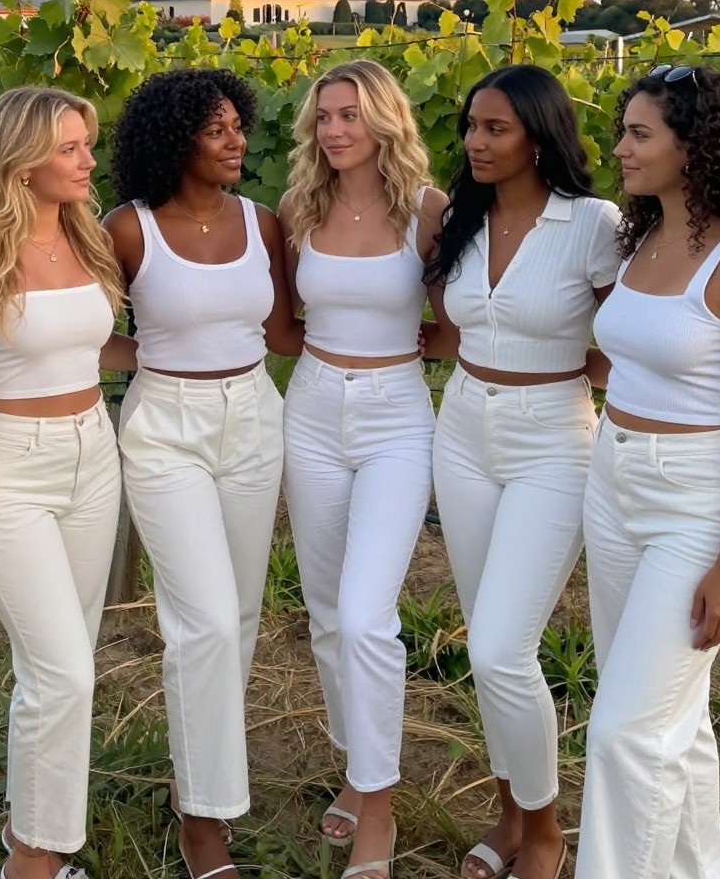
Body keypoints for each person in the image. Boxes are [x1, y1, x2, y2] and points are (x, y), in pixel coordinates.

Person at [104, 67, 302, 879]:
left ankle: (205, 783)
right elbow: (90, 329)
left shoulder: (265, 223)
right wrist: (150, 355)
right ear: (173, 138)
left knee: (242, 618)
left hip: (254, 418)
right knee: (208, 621)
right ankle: (202, 824)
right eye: (216, 128)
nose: (236, 141)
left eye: (237, 125)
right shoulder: (126, 229)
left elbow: (287, 333)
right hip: (164, 429)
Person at [424, 65, 621, 879]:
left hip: (553, 438)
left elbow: (629, 335)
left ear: (539, 136)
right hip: (463, 428)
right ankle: (510, 816)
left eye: (496, 128)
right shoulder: (461, 220)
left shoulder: (593, 223)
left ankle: (544, 834)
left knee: (505, 647)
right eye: (472, 125)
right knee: (486, 644)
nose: (475, 140)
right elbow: (447, 320)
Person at [0, 86, 133, 879]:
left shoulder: (88, 241)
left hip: (95, 454)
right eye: (70, 149)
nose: (89, 160)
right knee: (61, 668)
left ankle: (38, 844)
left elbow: (94, 349)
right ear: (21, 161)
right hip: (12, 468)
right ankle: (34, 865)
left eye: (87, 144)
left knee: (65, 665)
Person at [575, 64, 720, 879]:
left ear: (696, 147)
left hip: (696, 505)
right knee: (670, 727)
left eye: (639, 134)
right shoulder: (642, 236)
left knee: (623, 734)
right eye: (624, 130)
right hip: (613, 480)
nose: (619, 148)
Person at [278, 59, 448, 879]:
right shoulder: (297, 208)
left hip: (394, 416)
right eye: (324, 118)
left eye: (349, 115)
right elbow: (282, 321)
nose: (335, 131)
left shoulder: (428, 211)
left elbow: (455, 322)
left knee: (365, 612)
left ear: (385, 118)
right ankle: (356, 762)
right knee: (322, 607)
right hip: (310, 405)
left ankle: (377, 806)